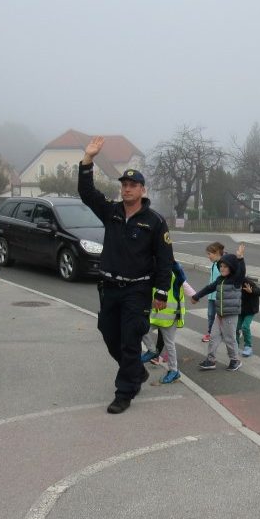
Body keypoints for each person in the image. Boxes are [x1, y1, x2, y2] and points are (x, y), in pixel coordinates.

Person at [79, 137, 174, 414]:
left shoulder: (154, 221)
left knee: (130, 338)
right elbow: (87, 193)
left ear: (143, 189)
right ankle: (136, 372)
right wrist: (88, 160)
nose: (127, 189)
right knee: (109, 336)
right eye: (124, 185)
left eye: (133, 185)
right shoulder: (111, 212)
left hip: (138, 290)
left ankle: (124, 392)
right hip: (110, 287)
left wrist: (161, 291)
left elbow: (165, 259)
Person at [191, 245, 245, 370]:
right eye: (221, 266)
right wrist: (196, 296)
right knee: (213, 336)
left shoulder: (236, 280)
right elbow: (209, 288)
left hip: (230, 314)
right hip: (219, 314)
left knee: (229, 339)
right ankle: (211, 360)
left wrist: (241, 258)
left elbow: (241, 271)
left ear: (231, 267)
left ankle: (235, 360)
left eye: (225, 266)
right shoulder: (220, 280)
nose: (222, 268)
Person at [141, 260, 192, 384]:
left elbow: (182, 277)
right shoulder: (154, 272)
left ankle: (174, 371)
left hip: (170, 317)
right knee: (141, 329)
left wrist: (170, 259)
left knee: (170, 345)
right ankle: (153, 351)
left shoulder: (175, 273)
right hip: (155, 315)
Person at [201, 242, 225, 342]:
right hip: (211, 296)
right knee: (211, 315)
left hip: (220, 296)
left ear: (216, 253)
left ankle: (234, 330)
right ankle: (210, 333)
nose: (208, 256)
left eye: (209, 254)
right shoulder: (214, 264)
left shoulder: (223, 264)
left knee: (223, 316)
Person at [236, 276, 260, 357]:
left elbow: (259, 291)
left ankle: (248, 346)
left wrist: (251, 291)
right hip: (240, 310)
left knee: (245, 327)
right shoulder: (232, 282)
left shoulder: (246, 281)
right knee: (236, 327)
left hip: (250, 310)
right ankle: (235, 345)